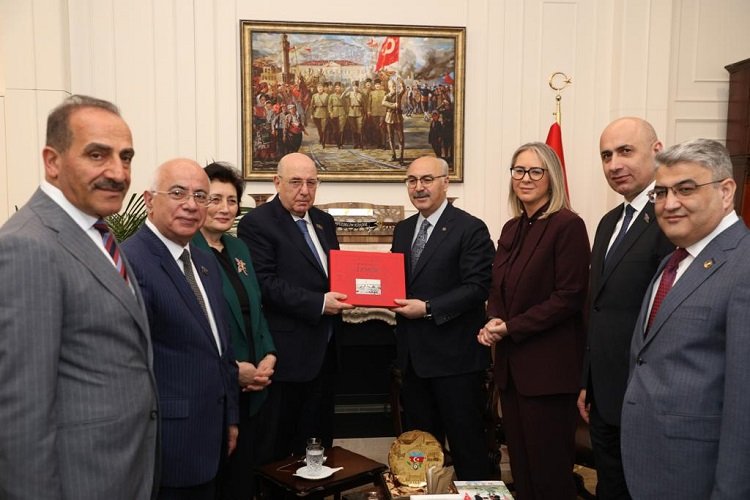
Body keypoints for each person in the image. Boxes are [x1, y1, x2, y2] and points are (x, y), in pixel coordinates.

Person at [0, 95, 159, 499]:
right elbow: (20, 413)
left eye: (126, 157)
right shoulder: (28, 246)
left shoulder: (96, 231)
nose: (118, 173)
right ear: (52, 161)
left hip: (119, 471)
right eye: (97, 155)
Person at [621, 139, 750, 499]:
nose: (670, 204)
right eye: (661, 193)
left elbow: (745, 408)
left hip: (699, 478)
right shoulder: (673, 262)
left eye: (686, 189)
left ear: (726, 191)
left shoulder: (743, 266)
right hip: (653, 468)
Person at [478, 142, 590, 500]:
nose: (525, 178)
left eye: (535, 171)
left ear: (551, 177)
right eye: (519, 170)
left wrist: (511, 327)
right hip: (512, 371)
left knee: (549, 475)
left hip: (549, 373)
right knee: (523, 471)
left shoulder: (568, 225)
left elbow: (569, 297)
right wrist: (493, 319)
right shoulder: (512, 227)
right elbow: (498, 286)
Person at [122, 158, 239, 500]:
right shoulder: (129, 262)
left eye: (201, 196)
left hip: (212, 433)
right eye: (177, 193)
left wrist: (230, 417)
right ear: (149, 200)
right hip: (166, 442)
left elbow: (221, 347)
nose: (191, 204)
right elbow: (126, 366)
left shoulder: (203, 260)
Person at [578, 117, 673, 500]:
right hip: (603, 393)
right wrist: (586, 380)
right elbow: (597, 307)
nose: (614, 164)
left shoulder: (671, 217)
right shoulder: (608, 223)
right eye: (606, 156)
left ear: (657, 151)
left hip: (645, 395)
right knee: (611, 487)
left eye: (625, 151)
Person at [237, 152, 353, 458]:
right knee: (279, 447)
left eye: (311, 183)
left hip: (326, 350)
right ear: (277, 182)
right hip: (286, 355)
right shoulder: (257, 223)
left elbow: (334, 274)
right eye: (296, 182)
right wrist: (319, 303)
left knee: (318, 442)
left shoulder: (324, 221)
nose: (304, 191)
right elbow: (264, 283)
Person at [391, 156, 496, 480]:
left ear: (446, 183)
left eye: (427, 179)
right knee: (420, 451)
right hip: (414, 363)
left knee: (468, 449)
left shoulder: (470, 228)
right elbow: (395, 281)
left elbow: (477, 287)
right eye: (411, 180)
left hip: (456, 363)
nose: (418, 187)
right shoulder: (403, 229)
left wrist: (428, 307)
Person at [191, 162, 277, 500]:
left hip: (254, 387)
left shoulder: (238, 248)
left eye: (231, 200)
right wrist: (233, 370)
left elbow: (256, 307)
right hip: (217, 389)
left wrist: (269, 354)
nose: (225, 208)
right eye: (215, 199)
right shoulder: (188, 251)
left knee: (244, 478)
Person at [383, 76, 406, 164]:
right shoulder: (387, 96)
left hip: (398, 118)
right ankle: (393, 155)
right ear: (389, 87)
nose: (394, 88)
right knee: (391, 137)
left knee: (401, 138)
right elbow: (383, 103)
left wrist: (401, 81)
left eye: (395, 86)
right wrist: (393, 105)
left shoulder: (398, 94)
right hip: (389, 118)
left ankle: (401, 156)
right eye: (392, 86)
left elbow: (403, 89)